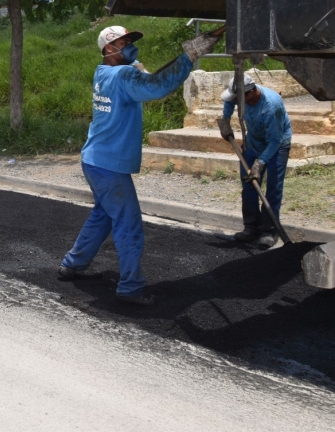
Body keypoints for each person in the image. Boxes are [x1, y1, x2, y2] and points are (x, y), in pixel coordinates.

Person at [58, 25, 223, 306]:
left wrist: (137, 67)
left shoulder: (103, 72)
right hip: (109, 165)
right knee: (128, 223)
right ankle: (131, 287)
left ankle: (72, 264)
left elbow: (143, 80)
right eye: (124, 42)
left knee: (104, 215)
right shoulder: (123, 74)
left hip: (95, 160)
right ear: (109, 49)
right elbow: (157, 86)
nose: (131, 45)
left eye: (130, 40)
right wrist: (188, 57)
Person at [219, 74, 292, 248]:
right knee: (248, 185)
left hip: (277, 145)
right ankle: (251, 227)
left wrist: (260, 163)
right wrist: (226, 121)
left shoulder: (272, 106)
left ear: (250, 93)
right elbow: (229, 101)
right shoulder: (240, 97)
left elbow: (275, 140)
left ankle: (269, 230)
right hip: (253, 142)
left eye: (238, 98)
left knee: (273, 187)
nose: (235, 100)